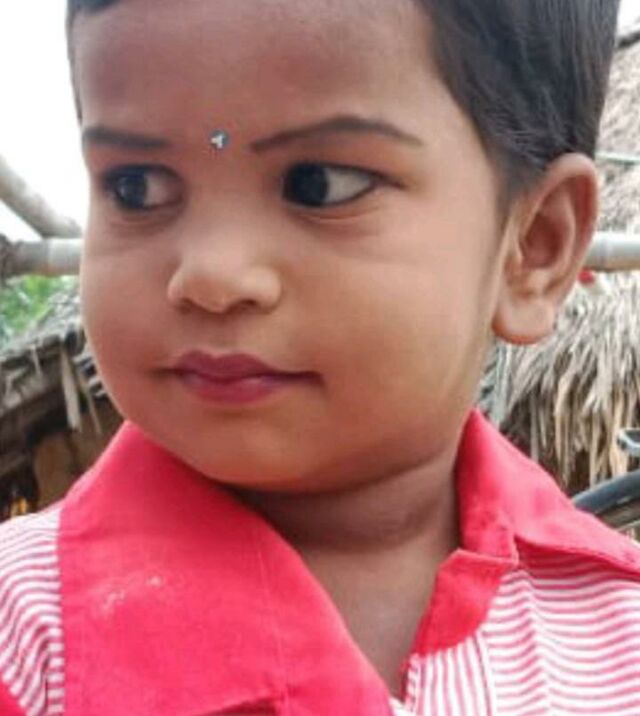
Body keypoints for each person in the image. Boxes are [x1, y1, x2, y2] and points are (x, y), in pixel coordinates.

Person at [1, 0, 638, 714]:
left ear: (535, 246)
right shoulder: (23, 639)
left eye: (319, 184)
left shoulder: (620, 635)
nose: (211, 275)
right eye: (136, 186)